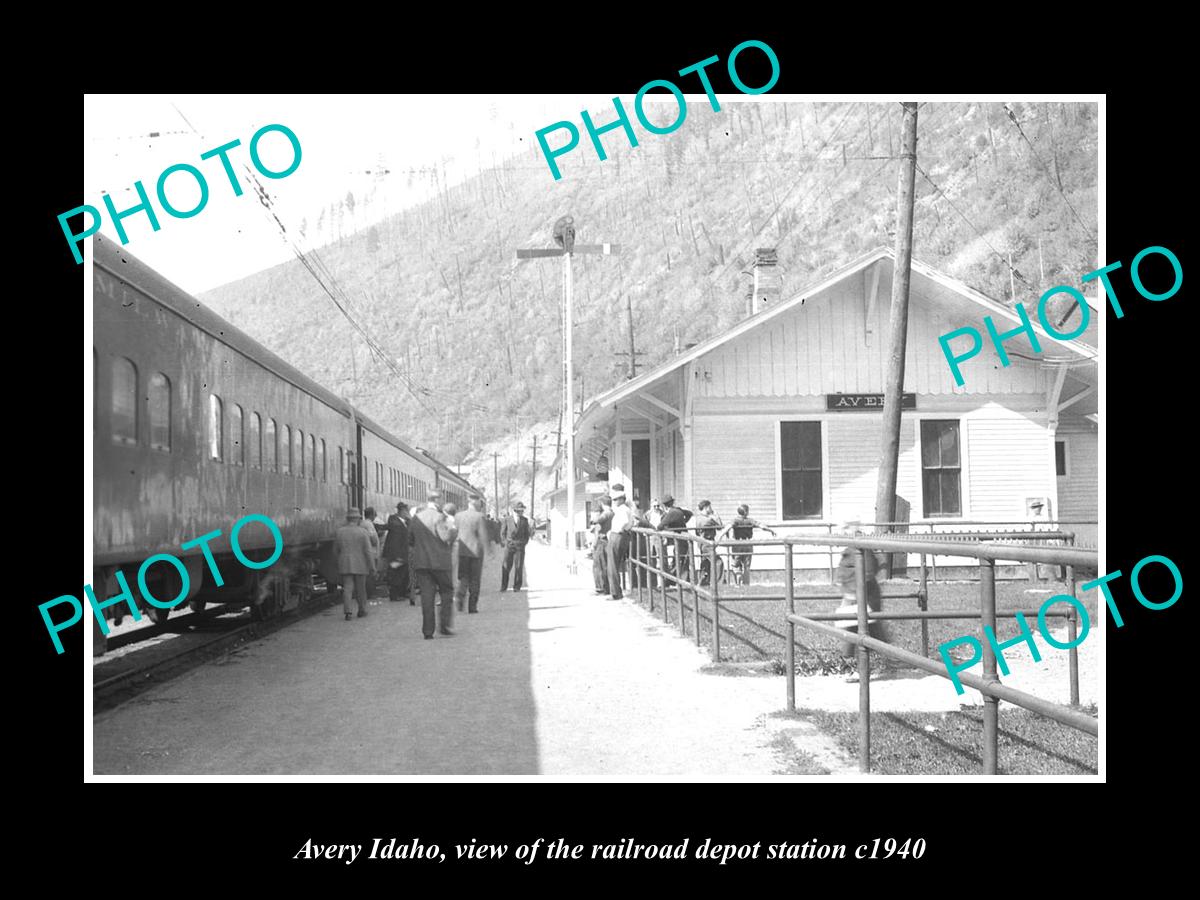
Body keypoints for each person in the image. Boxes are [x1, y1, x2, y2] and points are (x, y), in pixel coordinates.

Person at [833, 521, 887, 680]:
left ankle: (860, 668)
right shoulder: (851, 547)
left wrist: (853, 594)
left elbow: (869, 571)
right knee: (862, 631)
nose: (842, 533)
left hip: (864, 596)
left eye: (845, 528)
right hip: (855, 596)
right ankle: (859, 665)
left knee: (860, 632)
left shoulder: (861, 547)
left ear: (853, 528)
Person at [410, 491, 458, 639]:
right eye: (442, 498)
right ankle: (443, 626)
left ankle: (427, 631)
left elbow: (410, 540)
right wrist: (453, 531)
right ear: (437, 500)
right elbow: (445, 538)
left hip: (422, 563)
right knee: (446, 592)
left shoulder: (416, 518)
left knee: (427, 596)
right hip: (441, 563)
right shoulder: (440, 517)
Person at [718, 505, 777, 587]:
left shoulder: (735, 520)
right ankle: (746, 584)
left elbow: (727, 527)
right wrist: (771, 530)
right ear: (746, 512)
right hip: (748, 543)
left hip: (738, 544)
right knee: (747, 565)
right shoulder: (750, 521)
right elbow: (761, 526)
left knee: (736, 564)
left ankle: (738, 583)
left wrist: (720, 536)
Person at [335, 507, 375, 621]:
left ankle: (348, 612)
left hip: (345, 563)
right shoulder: (363, 532)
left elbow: (336, 550)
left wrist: (339, 560)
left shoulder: (340, 532)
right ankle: (362, 610)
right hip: (360, 564)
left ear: (348, 519)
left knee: (347, 587)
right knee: (361, 588)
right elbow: (368, 551)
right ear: (358, 519)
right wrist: (372, 566)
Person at [454, 497, 490, 613]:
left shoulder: (458, 516)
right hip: (476, 552)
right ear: (476, 503)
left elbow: (455, 532)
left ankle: (460, 595)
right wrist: (488, 549)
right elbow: (483, 535)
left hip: (463, 551)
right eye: (479, 502)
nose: (480, 504)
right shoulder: (480, 516)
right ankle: (472, 607)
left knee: (463, 576)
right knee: (475, 579)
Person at [382, 501, 412, 604]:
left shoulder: (403, 522)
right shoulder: (395, 523)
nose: (407, 513)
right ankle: (395, 595)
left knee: (402, 574)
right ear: (402, 511)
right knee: (396, 575)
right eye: (406, 511)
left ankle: (400, 594)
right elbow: (395, 541)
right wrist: (398, 557)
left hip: (402, 554)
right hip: (397, 555)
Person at [657, 494, 694, 578]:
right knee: (680, 558)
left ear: (664, 505)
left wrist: (669, 528)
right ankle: (679, 578)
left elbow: (660, 526)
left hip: (680, 538)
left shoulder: (671, 513)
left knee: (679, 558)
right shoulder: (678, 510)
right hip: (683, 536)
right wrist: (684, 521)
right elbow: (690, 513)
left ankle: (677, 579)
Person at [607, 487, 634, 600]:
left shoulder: (623, 510)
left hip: (618, 535)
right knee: (614, 564)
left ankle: (615, 593)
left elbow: (624, 522)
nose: (615, 502)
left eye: (616, 499)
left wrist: (620, 530)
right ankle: (616, 591)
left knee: (612, 565)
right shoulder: (625, 509)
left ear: (622, 499)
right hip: (621, 535)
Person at [500, 501, 531, 591]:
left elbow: (527, 534)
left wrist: (523, 543)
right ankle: (504, 586)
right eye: (520, 510)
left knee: (519, 566)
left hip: (520, 547)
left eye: (522, 510)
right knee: (506, 566)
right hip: (509, 546)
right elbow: (502, 533)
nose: (521, 512)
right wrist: (506, 542)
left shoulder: (524, 520)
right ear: (515, 510)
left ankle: (517, 586)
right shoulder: (507, 519)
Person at [694, 500, 724, 586]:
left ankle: (703, 582)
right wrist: (717, 516)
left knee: (705, 564)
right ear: (706, 507)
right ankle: (718, 583)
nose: (711, 509)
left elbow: (697, 532)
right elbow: (720, 527)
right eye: (710, 507)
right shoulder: (708, 519)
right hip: (708, 543)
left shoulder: (698, 518)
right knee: (718, 562)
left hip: (701, 543)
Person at [590, 495, 614, 595]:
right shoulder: (612, 513)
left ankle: (601, 587)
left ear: (603, 504)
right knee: (605, 564)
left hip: (601, 540)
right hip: (607, 539)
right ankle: (606, 586)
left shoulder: (606, 514)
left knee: (598, 565)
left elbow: (596, 521)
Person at [361, 506, 383, 597]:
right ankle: (370, 593)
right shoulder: (368, 524)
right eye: (374, 514)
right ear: (371, 515)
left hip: (370, 552)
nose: (375, 516)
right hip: (371, 552)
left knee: (369, 574)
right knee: (371, 574)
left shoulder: (364, 523)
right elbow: (372, 537)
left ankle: (369, 592)